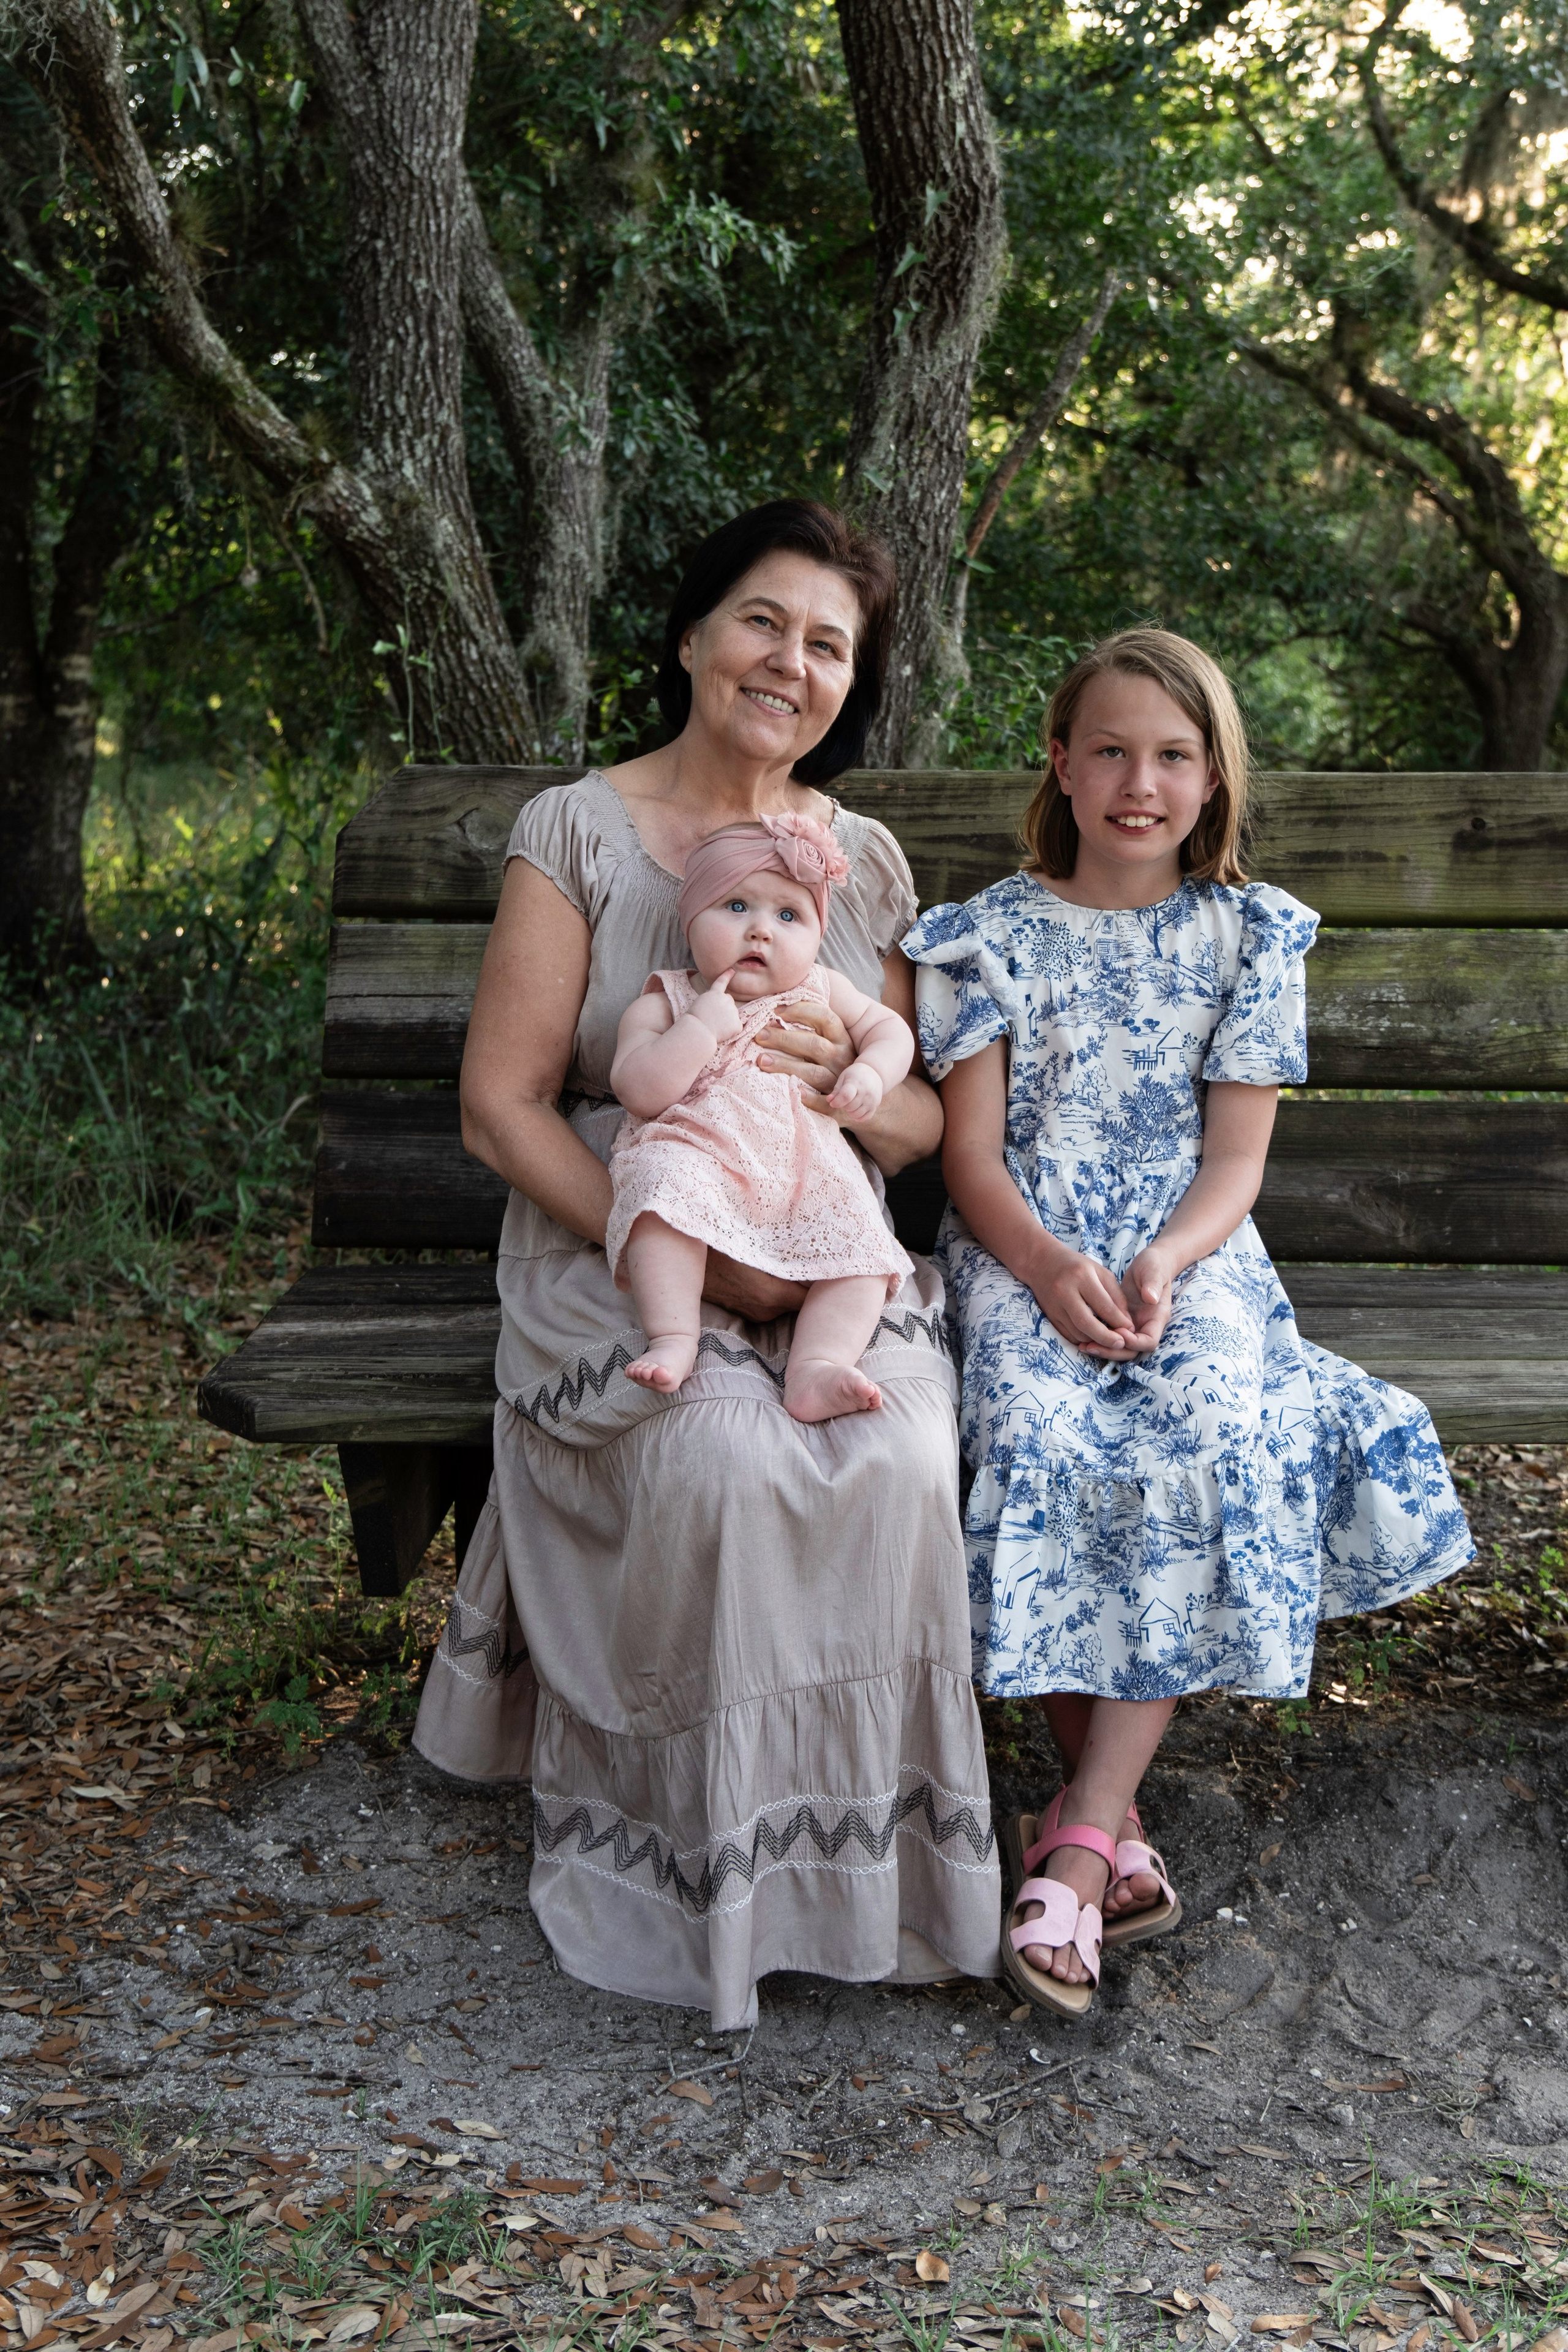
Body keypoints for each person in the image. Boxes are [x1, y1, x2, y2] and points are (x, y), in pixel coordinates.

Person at [412, 500, 1001, 2030]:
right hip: (626, 1241)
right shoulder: (578, 832)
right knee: (728, 1463)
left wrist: (862, 1087)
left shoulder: (855, 858)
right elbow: (501, 1105)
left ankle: (864, 1878)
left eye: (826, 644)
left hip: (815, 1243)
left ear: (847, 682)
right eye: (761, 620)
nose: (786, 661)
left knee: (894, 1448)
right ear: (689, 635)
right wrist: (680, 1236)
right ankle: (701, 1866)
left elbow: (923, 1115)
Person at [902, 627, 1474, 2018]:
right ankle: (1109, 1839)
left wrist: (1162, 1259)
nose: (1137, 781)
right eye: (1107, 749)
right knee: (1028, 1430)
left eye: (1170, 755)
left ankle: (1080, 1831)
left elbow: (1233, 1165)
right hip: (1019, 1243)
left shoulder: (1246, 935)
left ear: (1212, 777)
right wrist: (1042, 1267)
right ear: (1058, 759)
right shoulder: (984, 934)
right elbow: (969, 1160)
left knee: (1210, 1418)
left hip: (1188, 1249)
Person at [608, 810, 915, 1420]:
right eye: (736, 906)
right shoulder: (668, 999)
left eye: (788, 916)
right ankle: (673, 1336)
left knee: (864, 1249)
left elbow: (891, 1031)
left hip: (806, 1169)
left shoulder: (822, 989)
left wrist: (868, 1071)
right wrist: (697, 1030)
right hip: (702, 1158)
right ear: (690, 917)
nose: (760, 932)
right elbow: (638, 1090)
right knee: (659, 1194)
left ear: (816, 937)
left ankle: (817, 1367)